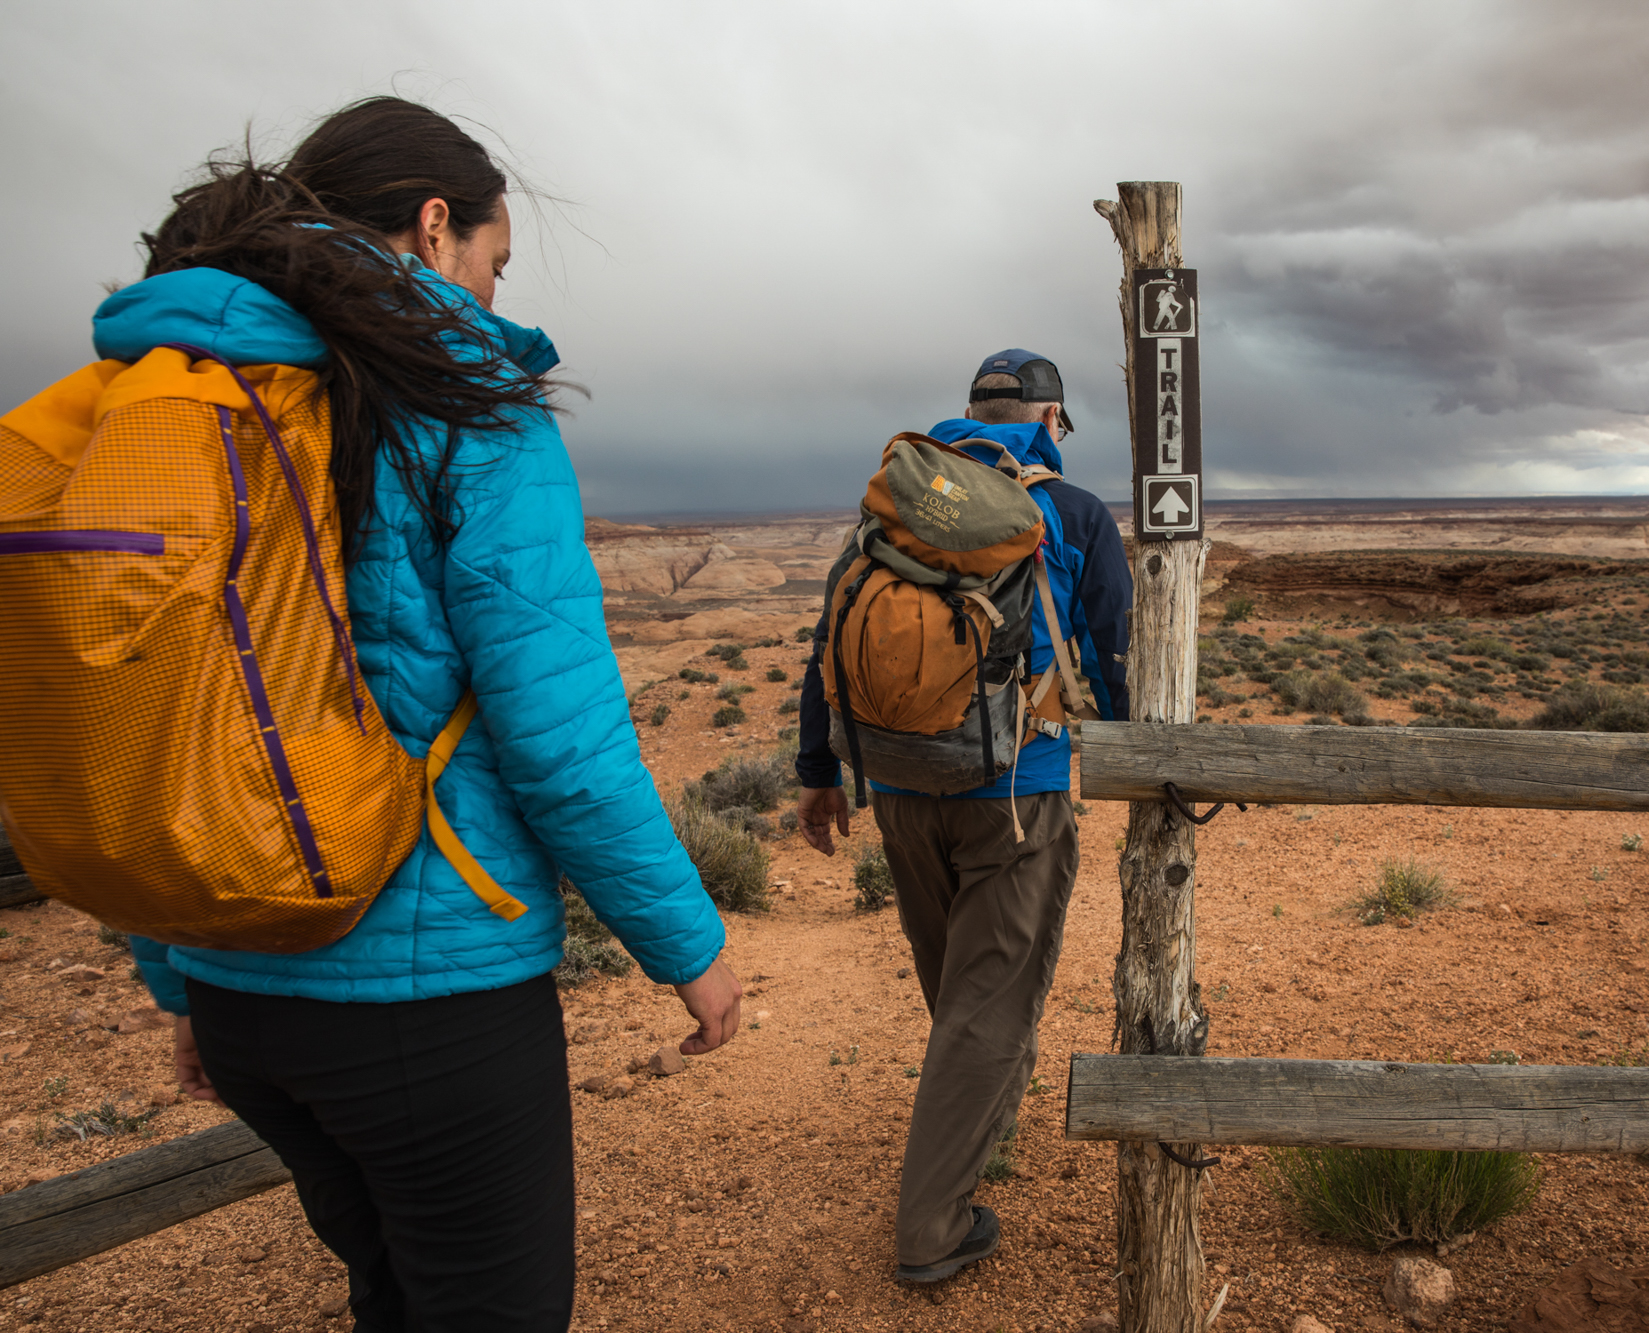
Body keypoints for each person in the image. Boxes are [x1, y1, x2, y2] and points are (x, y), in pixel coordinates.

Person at [97, 97, 740, 1330]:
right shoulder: (464, 403)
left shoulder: (185, 392)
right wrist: (689, 949)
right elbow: (560, 744)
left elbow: (146, 706)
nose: (493, 297)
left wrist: (183, 974)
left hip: (240, 987)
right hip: (427, 999)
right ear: (435, 227)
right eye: (495, 263)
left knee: (389, 1296)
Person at [793, 349, 1132, 1283]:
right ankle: (932, 1228)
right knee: (985, 1010)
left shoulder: (897, 500)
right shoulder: (1069, 511)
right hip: (1014, 797)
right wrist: (1143, 760)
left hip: (898, 788)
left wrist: (819, 770)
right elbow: (1110, 649)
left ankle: (977, 1130)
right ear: (1052, 421)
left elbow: (833, 635)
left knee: (959, 995)